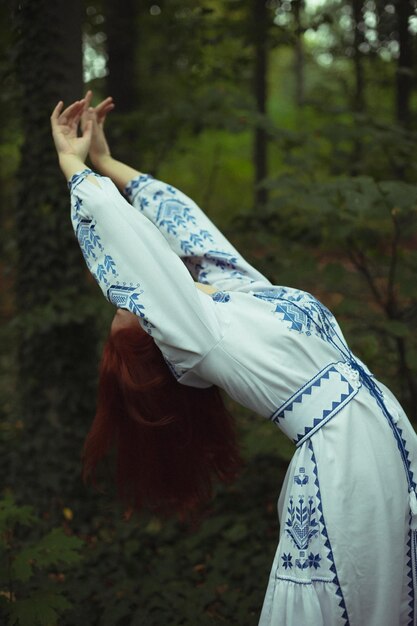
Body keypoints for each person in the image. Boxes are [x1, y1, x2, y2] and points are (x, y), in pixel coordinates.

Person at [50, 94, 417, 626]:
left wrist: (104, 161)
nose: (127, 299)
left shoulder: (232, 296)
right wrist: (69, 161)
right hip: (343, 463)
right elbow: (122, 234)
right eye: (127, 309)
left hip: (382, 436)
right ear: (160, 334)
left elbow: (189, 226)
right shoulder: (201, 339)